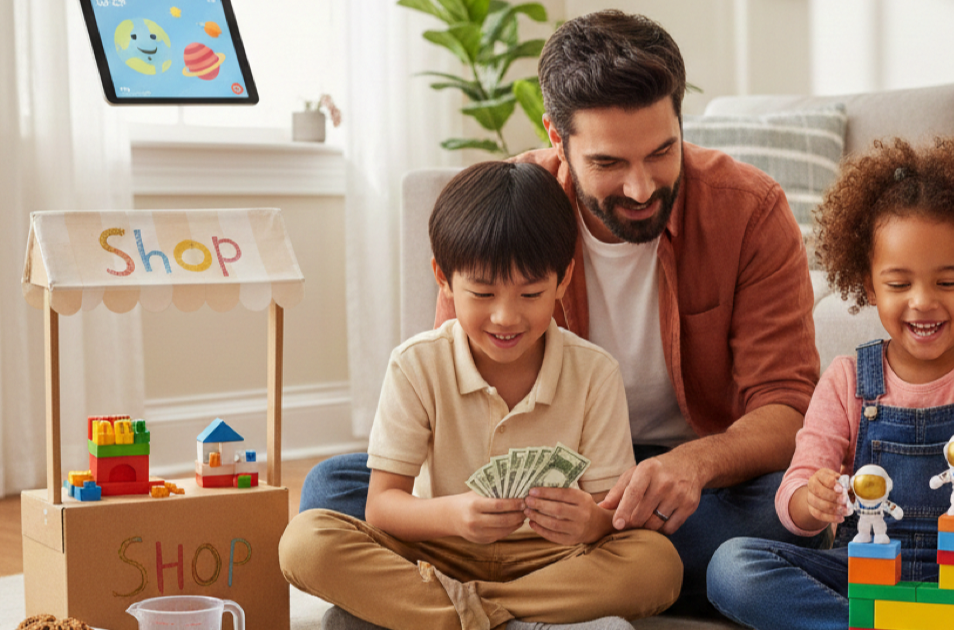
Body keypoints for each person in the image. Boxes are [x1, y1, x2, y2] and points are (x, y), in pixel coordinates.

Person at [300, 10, 823, 614]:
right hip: (525, 496)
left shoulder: (749, 210)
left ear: (681, 120)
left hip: (678, 483)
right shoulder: (507, 209)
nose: (640, 187)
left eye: (661, 152)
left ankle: (438, 605)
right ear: (556, 135)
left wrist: (694, 464)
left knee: (782, 516)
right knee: (331, 489)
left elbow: (787, 409)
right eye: (607, 163)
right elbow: (451, 366)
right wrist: (462, 508)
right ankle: (550, 604)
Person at [705, 136, 954, 630]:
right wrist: (814, 499)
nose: (923, 301)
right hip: (862, 572)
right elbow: (793, 503)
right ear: (868, 285)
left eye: (948, 282)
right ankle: (926, 624)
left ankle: (872, 625)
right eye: (898, 283)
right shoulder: (848, 379)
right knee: (733, 566)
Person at [280, 162, 682, 630]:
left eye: (531, 294)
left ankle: (460, 615)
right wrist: (454, 515)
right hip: (439, 550)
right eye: (483, 293)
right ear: (444, 279)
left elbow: (607, 514)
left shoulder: (594, 373)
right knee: (306, 541)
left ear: (564, 280)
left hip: (550, 561)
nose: (506, 317)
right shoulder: (417, 365)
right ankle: (513, 620)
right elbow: (382, 505)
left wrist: (589, 521)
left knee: (657, 563)